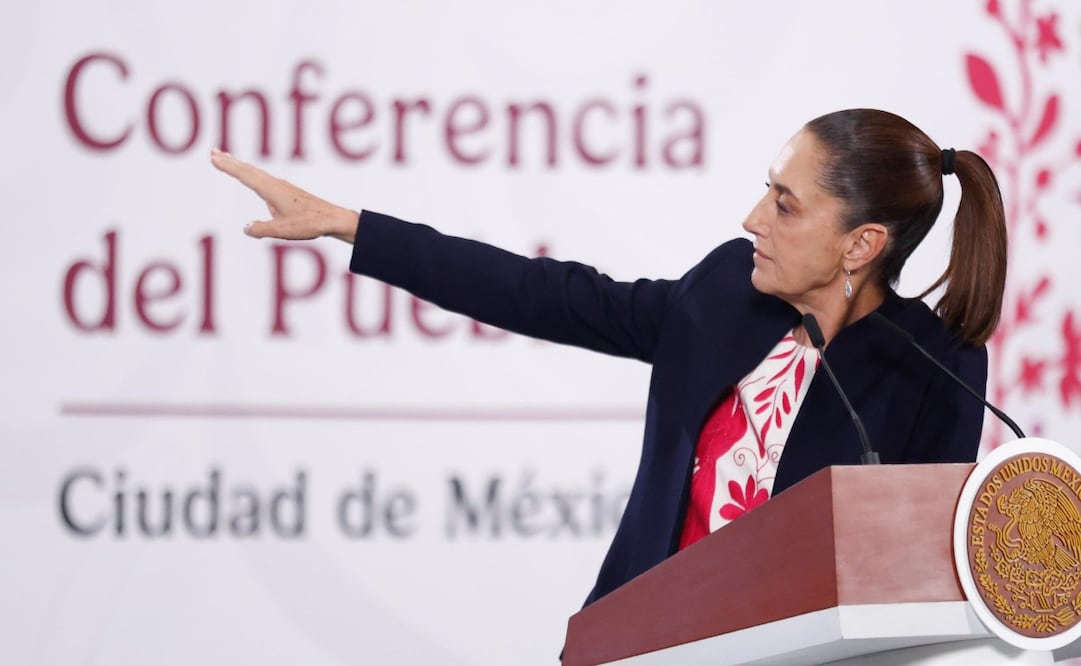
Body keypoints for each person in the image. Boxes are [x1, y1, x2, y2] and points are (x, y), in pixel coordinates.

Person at [211, 108, 1007, 608]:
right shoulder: (725, 292)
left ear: (860, 244)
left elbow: (923, 588)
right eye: (766, 189)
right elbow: (540, 293)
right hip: (637, 639)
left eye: (784, 203)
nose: (751, 216)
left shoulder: (933, 365)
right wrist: (350, 225)